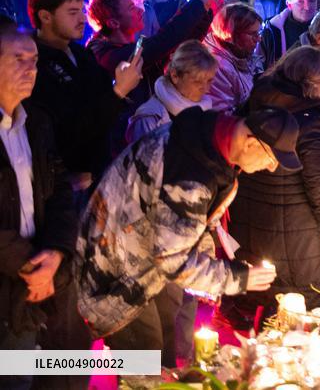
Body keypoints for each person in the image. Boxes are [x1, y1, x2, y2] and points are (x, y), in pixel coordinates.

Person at [75, 107, 294, 364]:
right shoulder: (192, 176)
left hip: (134, 262)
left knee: (160, 347)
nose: (270, 168)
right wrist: (236, 277)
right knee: (140, 362)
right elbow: (173, 261)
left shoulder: (204, 141)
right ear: (249, 142)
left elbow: (187, 226)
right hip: (113, 274)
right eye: (270, 157)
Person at [228, 47, 320, 312]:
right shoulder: (309, 124)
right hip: (298, 241)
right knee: (301, 318)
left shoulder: (255, 100)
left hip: (252, 227)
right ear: (316, 85)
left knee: (264, 312)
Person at [0, 27, 79, 390]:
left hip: (33, 283)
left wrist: (57, 251)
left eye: (34, 61)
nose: (30, 69)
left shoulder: (37, 121)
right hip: (17, 275)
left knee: (23, 374)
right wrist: (32, 264)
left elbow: (59, 190)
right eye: (18, 59)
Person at [28, 0, 143, 187]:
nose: (82, 19)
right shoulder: (33, 64)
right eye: (72, 13)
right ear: (45, 16)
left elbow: (102, 103)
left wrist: (119, 84)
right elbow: (69, 129)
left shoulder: (81, 53)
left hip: (102, 171)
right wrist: (118, 91)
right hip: (67, 185)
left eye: (81, 10)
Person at [86, 0, 218, 100]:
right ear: (114, 23)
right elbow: (164, 40)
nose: (140, 10)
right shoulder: (104, 56)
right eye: (132, 8)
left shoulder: (127, 47)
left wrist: (204, 8)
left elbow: (179, 44)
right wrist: (200, 0)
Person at [126, 40, 218, 143]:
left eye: (209, 81)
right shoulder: (150, 120)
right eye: (197, 82)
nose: (206, 89)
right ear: (175, 76)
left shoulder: (207, 113)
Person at [203, 3, 263, 112]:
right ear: (231, 34)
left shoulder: (241, 52)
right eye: (253, 34)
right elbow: (223, 117)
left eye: (259, 33)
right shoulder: (218, 68)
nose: (258, 39)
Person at [260, 0, 320, 69]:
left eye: (312, 0)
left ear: (317, 2)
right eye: (300, 1)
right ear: (289, 5)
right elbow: (259, 66)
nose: (307, 7)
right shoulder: (272, 30)